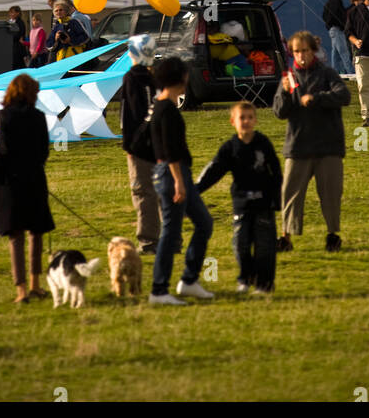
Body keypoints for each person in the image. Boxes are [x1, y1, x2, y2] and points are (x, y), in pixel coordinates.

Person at [0, 73, 55, 304]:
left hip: (8, 183)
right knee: (36, 233)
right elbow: (44, 152)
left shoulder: (3, 116)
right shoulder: (39, 117)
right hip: (34, 180)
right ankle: (35, 285)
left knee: (16, 236)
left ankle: (20, 290)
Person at [272, 31, 350, 253]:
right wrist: (286, 93)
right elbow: (279, 112)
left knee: (331, 194)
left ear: (312, 51)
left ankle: (332, 235)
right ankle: (286, 236)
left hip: (328, 147)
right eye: (296, 51)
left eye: (305, 50)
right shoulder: (289, 78)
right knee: (290, 193)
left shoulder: (327, 73)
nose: (301, 56)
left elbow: (344, 96)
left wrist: (317, 99)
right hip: (298, 146)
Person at [148, 56, 214, 306]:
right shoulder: (166, 111)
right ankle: (159, 289)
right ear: (181, 78)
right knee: (171, 233)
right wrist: (178, 182)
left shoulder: (161, 105)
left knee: (204, 223)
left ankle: (188, 281)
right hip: (173, 175)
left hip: (172, 173)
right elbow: (170, 150)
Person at [197, 101, 282, 294]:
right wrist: (195, 190)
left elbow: (276, 172)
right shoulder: (230, 147)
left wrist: (276, 199)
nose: (246, 121)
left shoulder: (263, 144)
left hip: (264, 203)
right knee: (240, 244)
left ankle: (264, 284)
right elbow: (213, 171)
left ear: (256, 120)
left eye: (250, 117)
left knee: (265, 247)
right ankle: (245, 278)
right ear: (232, 122)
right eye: (241, 118)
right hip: (241, 204)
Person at [120, 34, 160, 254]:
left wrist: (129, 145)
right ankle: (170, 237)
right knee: (160, 190)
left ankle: (148, 241)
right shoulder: (154, 77)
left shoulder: (131, 78)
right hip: (158, 144)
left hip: (139, 147)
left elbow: (131, 115)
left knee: (143, 192)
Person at [322, 0, 352, 77]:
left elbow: (324, 15)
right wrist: (341, 24)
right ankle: (352, 73)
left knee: (335, 53)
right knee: (344, 52)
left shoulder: (330, 2)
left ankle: (335, 73)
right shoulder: (336, 2)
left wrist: (328, 24)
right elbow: (336, 15)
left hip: (332, 29)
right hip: (337, 29)